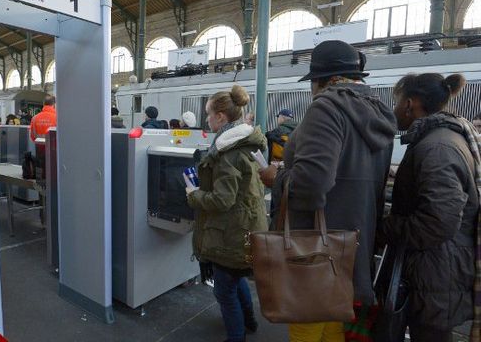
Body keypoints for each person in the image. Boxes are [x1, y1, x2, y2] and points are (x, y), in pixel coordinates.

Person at [259, 40, 396, 342]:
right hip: (353, 244)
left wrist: (277, 177)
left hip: (315, 250)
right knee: (332, 322)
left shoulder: (327, 108)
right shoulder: (379, 112)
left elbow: (311, 183)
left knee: (307, 327)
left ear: (322, 80)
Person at [379, 73, 478, 342]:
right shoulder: (444, 138)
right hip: (439, 269)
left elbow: (439, 221)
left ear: (410, 104)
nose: (395, 109)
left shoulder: (437, 147)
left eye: (397, 102)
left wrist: (387, 226)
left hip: (436, 273)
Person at [187, 85, 268, 342]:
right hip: (247, 225)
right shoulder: (244, 142)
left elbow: (223, 200)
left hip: (230, 231)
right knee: (234, 276)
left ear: (221, 116)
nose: (207, 119)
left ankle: (237, 336)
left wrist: (194, 195)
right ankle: (250, 321)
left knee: (224, 292)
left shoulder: (228, 152)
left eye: (209, 114)